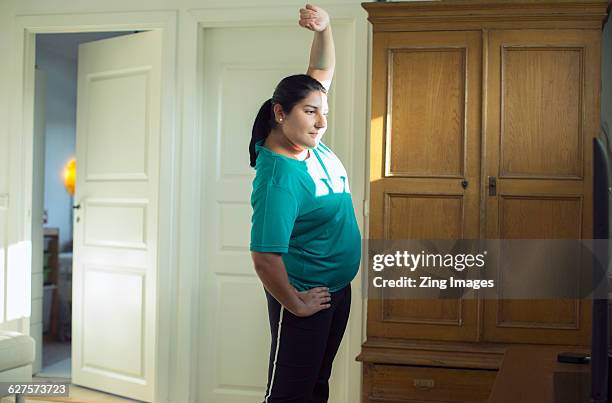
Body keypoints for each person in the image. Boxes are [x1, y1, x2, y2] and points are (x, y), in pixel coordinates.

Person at [249, 4, 361, 403]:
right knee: (288, 395)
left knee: (316, 387)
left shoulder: (305, 143)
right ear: (281, 113)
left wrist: (325, 28)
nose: (321, 121)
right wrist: (295, 305)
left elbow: (320, 69)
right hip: (305, 297)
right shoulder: (279, 179)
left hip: (334, 289)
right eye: (311, 112)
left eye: (323, 111)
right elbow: (264, 258)